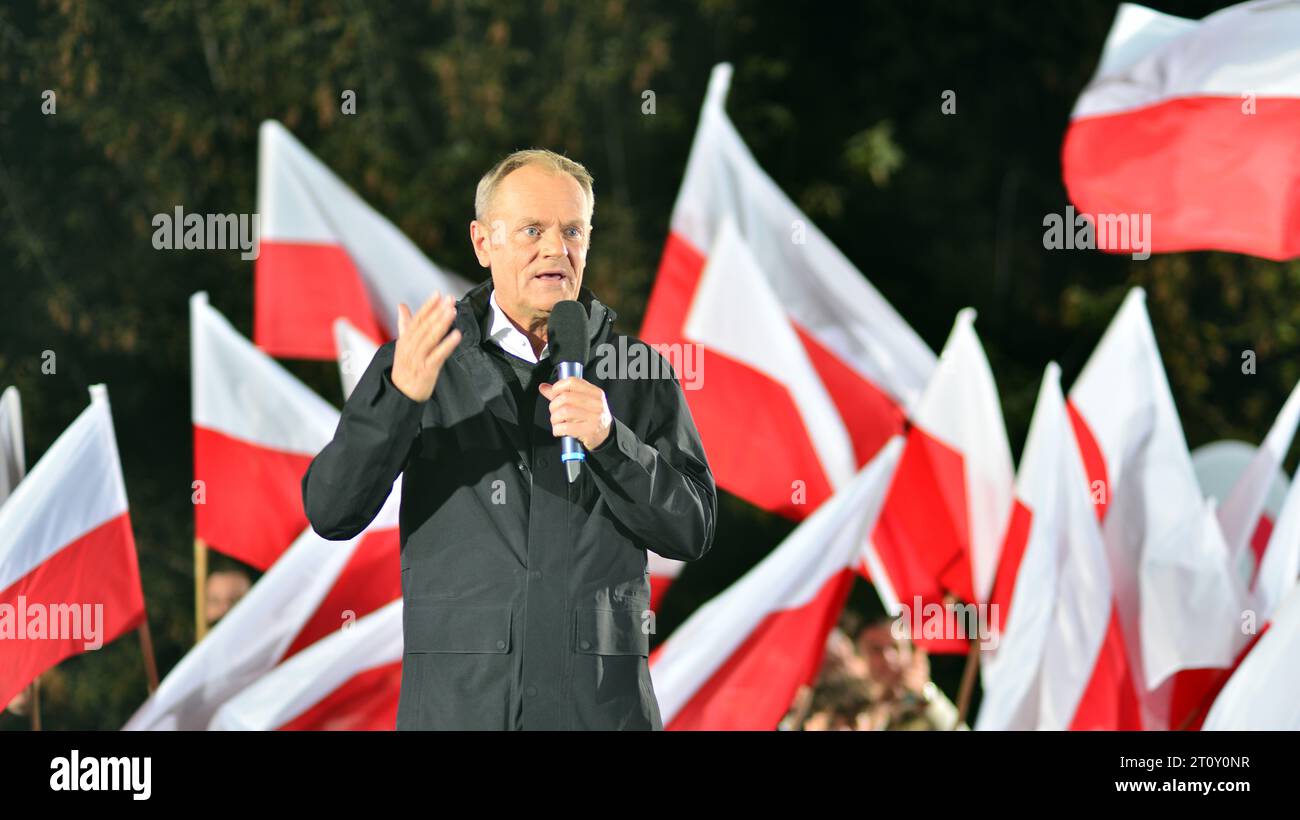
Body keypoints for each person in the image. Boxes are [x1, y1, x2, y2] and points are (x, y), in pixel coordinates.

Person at [302, 149, 717, 730]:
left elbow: (692, 528)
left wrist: (609, 440)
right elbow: (331, 509)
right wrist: (399, 401)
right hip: (459, 712)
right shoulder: (423, 364)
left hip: (599, 715)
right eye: (532, 230)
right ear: (482, 242)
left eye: (573, 230)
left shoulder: (635, 372)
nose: (556, 249)